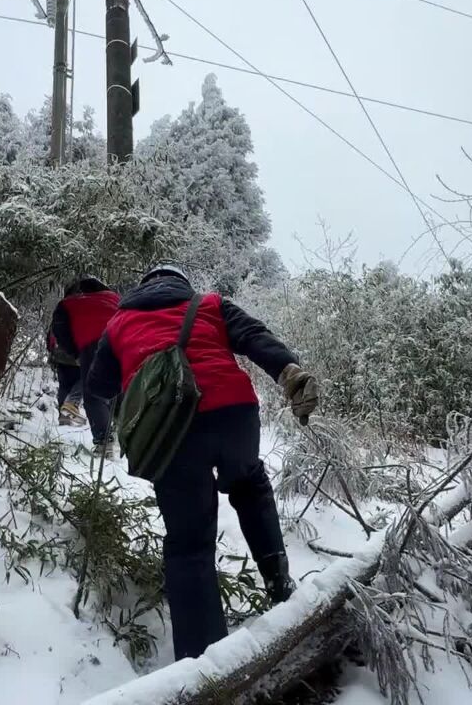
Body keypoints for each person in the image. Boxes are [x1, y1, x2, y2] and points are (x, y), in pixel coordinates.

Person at [87, 264, 320, 660]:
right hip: (234, 413)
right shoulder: (209, 303)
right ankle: (279, 584)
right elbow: (253, 336)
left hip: (170, 430)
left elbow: (100, 386)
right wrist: (288, 371)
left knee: (189, 543)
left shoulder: (119, 321)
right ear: (182, 285)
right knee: (249, 485)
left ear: (144, 287)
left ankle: (204, 663)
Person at [50, 275, 120, 451]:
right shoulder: (116, 299)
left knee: (93, 394)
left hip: (91, 345)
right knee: (120, 390)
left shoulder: (68, 304)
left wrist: (75, 352)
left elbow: (59, 331)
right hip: (121, 343)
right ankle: (128, 434)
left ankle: (104, 442)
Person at [47, 329, 85, 426]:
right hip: (78, 356)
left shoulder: (59, 316)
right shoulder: (81, 317)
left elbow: (50, 337)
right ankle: (71, 403)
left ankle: (64, 418)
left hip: (60, 356)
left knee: (64, 386)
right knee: (86, 380)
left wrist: (52, 353)